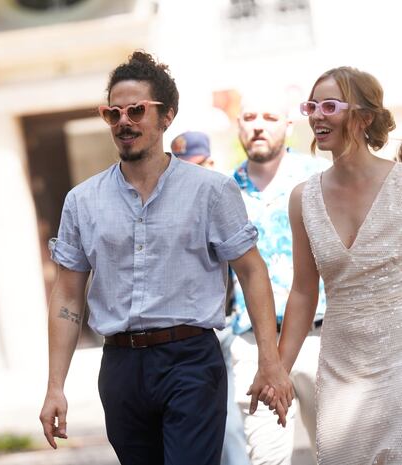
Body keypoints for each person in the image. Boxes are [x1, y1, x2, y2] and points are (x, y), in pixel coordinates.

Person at [39, 51, 294, 465]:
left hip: (191, 360)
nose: (125, 122)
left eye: (137, 110)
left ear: (167, 116)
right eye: (113, 113)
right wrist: (55, 387)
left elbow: (251, 271)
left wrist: (270, 361)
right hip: (120, 366)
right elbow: (67, 295)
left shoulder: (211, 191)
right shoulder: (82, 201)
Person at [278, 66, 400, 464]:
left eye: (330, 105)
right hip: (342, 369)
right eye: (311, 106)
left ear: (364, 117)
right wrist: (278, 369)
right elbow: (302, 291)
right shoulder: (303, 199)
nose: (316, 115)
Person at [230, 90, 329, 465]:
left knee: (338, 452)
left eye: (269, 118)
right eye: (250, 117)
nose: (258, 126)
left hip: (320, 336)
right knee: (266, 458)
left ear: (288, 124)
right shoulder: (221, 190)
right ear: (238, 125)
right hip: (254, 344)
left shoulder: (319, 179)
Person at [171, 130, 251, 465]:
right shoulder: (172, 205)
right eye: (183, 166)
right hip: (191, 335)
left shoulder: (224, 193)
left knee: (232, 428)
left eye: (199, 164)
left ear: (212, 162)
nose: (192, 172)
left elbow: (250, 269)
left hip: (233, 326)